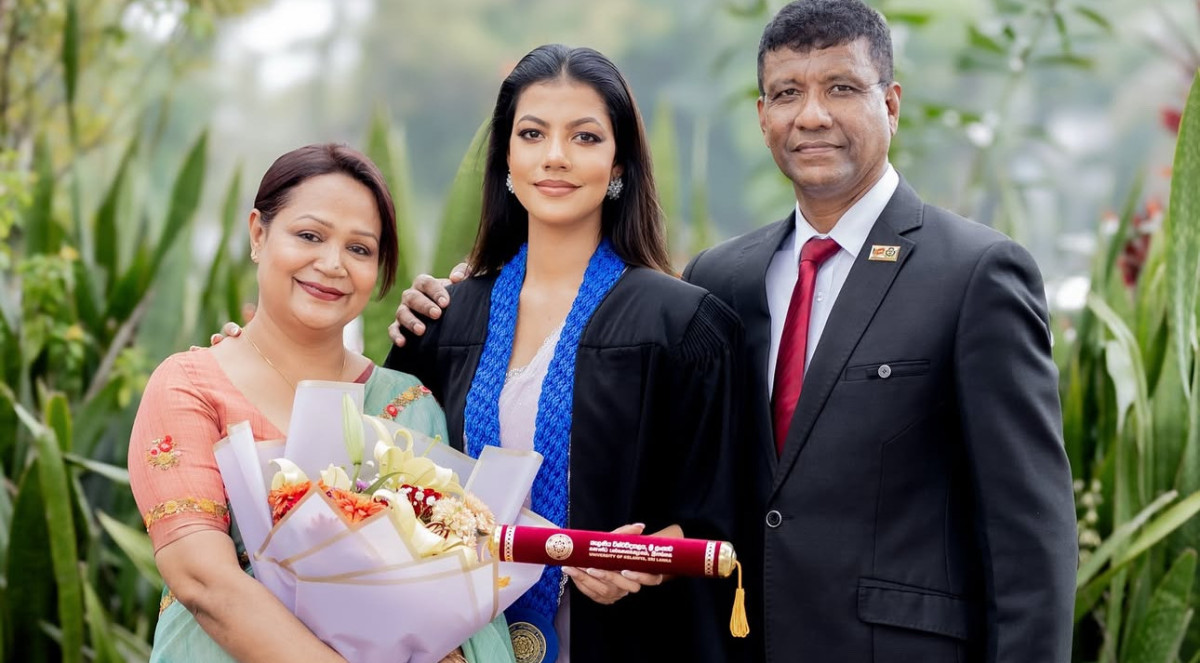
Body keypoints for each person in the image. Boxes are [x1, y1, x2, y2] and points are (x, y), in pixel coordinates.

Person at [395, 3, 1079, 661]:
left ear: (891, 103)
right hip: (741, 639)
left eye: (841, 87)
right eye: (786, 92)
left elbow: (1031, 533)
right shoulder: (723, 280)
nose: (811, 115)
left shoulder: (974, 274)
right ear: (762, 116)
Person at [384, 44, 745, 663]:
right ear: (505, 158)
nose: (555, 157)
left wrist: (649, 559)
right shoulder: (444, 320)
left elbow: (725, 502)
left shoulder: (681, 324)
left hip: (622, 638)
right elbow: (377, 471)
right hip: (459, 643)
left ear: (620, 164)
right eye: (532, 134)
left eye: (584, 137)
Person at [128, 144, 512, 663]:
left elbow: (443, 580)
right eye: (309, 236)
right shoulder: (190, 388)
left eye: (360, 249)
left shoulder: (406, 406)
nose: (331, 264)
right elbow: (203, 581)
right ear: (258, 234)